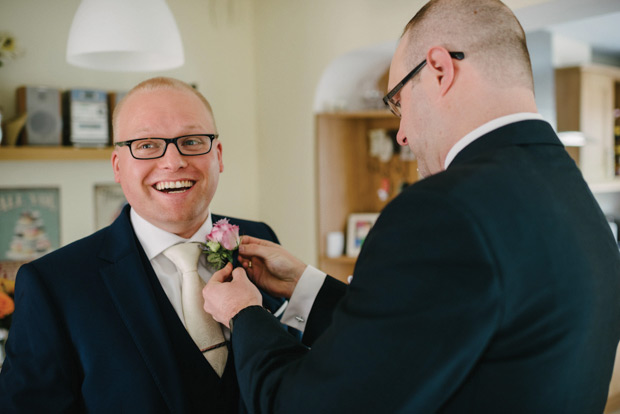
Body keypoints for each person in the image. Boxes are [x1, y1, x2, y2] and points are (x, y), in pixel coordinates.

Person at [203, 1, 620, 413]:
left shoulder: (442, 210)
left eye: (398, 103)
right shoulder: (572, 191)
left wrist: (245, 313)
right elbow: (421, 339)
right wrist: (305, 286)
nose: (401, 134)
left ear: (439, 69)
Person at [0, 77, 299, 413]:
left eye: (191, 140)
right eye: (146, 145)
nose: (173, 162)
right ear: (117, 165)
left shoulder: (260, 239)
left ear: (218, 155)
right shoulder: (53, 284)